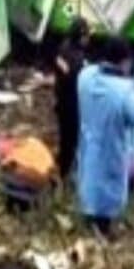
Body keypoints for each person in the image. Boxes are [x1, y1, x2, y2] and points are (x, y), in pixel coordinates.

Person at [76, 35, 134, 237]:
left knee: (89, 184)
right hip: (111, 148)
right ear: (124, 61)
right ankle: (102, 232)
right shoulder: (124, 90)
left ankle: (88, 226)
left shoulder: (86, 76)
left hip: (89, 143)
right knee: (107, 193)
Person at [53, 17, 89, 178]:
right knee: (72, 141)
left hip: (61, 100)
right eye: (86, 35)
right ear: (80, 36)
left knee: (64, 139)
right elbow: (80, 82)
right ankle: (66, 175)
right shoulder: (78, 59)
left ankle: (61, 168)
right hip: (73, 105)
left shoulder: (63, 48)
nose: (88, 39)